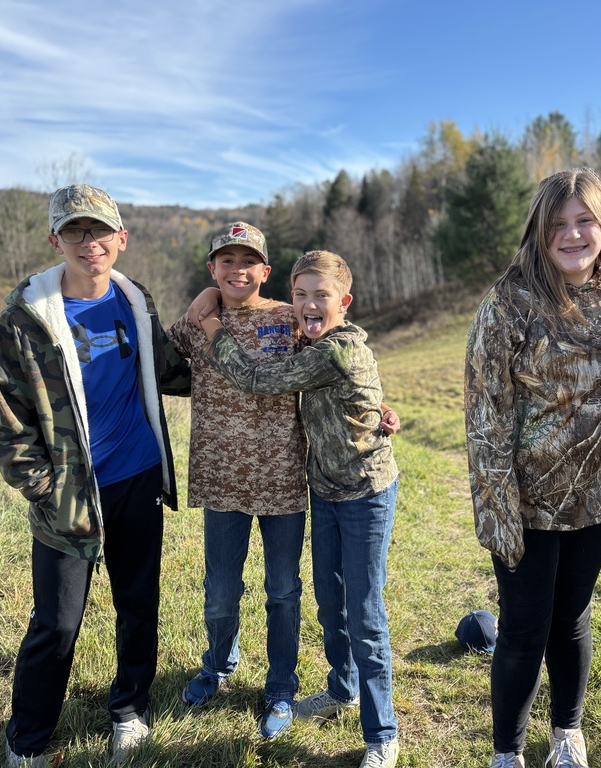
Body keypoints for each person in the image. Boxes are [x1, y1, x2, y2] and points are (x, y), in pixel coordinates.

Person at [0, 184, 190, 767]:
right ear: (55, 241)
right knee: (56, 623)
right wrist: (44, 490)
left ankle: (129, 710)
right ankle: (27, 739)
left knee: (138, 604)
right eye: (74, 230)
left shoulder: (134, 300)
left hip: (137, 476)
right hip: (69, 494)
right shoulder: (28, 315)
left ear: (121, 238)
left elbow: (171, 369)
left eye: (100, 230)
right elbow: (8, 420)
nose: (89, 242)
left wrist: (229, 326)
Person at [464, 168, 601, 768]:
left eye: (584, 221)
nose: (572, 235)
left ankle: (567, 736)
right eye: (558, 224)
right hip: (526, 501)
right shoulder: (510, 301)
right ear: (538, 232)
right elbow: (485, 411)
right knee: (524, 626)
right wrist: (497, 505)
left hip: (597, 497)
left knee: (571, 617)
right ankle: (507, 753)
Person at [188, 250, 401, 768]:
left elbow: (257, 379)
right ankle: (342, 689)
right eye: (300, 294)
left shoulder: (335, 350)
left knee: (365, 613)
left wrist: (213, 323)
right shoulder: (313, 338)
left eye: (321, 295)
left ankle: (382, 734)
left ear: (345, 302)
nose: (308, 304)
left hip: (364, 493)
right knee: (331, 604)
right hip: (323, 490)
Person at [167, 222, 309, 739]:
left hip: (283, 479)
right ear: (212, 268)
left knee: (283, 591)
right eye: (226, 261)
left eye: (248, 261)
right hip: (221, 480)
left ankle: (281, 686)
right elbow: (154, 359)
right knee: (221, 591)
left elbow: (333, 359)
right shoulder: (196, 323)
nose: (237, 270)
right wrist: (201, 303)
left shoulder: (290, 319)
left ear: (265, 271)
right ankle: (217, 666)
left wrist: (374, 407)